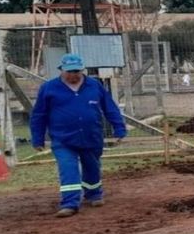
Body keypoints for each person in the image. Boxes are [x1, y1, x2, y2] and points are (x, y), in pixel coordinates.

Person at [29, 54, 127, 217]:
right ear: (61, 70)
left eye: (76, 71)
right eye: (69, 71)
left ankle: (94, 193)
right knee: (68, 168)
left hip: (91, 136)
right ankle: (70, 203)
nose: (73, 75)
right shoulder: (49, 88)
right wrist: (37, 138)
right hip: (63, 138)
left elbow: (110, 108)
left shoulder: (94, 86)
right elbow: (39, 115)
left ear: (82, 70)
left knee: (92, 166)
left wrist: (119, 128)